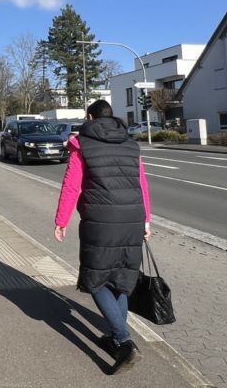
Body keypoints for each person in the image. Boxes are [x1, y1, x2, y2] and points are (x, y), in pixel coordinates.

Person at [53, 99, 151, 375]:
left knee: (95, 281)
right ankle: (114, 335)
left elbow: (71, 186)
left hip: (101, 221)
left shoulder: (81, 144)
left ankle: (124, 342)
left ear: (89, 117)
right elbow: (141, 184)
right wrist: (146, 220)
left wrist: (62, 221)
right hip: (132, 219)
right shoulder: (131, 145)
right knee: (120, 280)